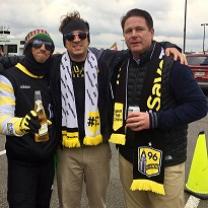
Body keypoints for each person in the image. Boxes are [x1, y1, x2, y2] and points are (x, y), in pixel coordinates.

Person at [109, 8, 207, 208]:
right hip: (129, 155)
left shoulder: (174, 64)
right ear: (124, 36)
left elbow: (199, 106)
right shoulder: (120, 63)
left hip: (166, 158)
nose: (134, 35)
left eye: (140, 29)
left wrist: (154, 119)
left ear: (151, 32)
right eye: (129, 31)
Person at [0, 29, 57, 208]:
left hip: (48, 160)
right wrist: (22, 124)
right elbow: (2, 121)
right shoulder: (9, 76)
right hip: (22, 161)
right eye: (37, 44)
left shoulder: (52, 76)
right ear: (28, 48)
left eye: (48, 46)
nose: (43, 48)